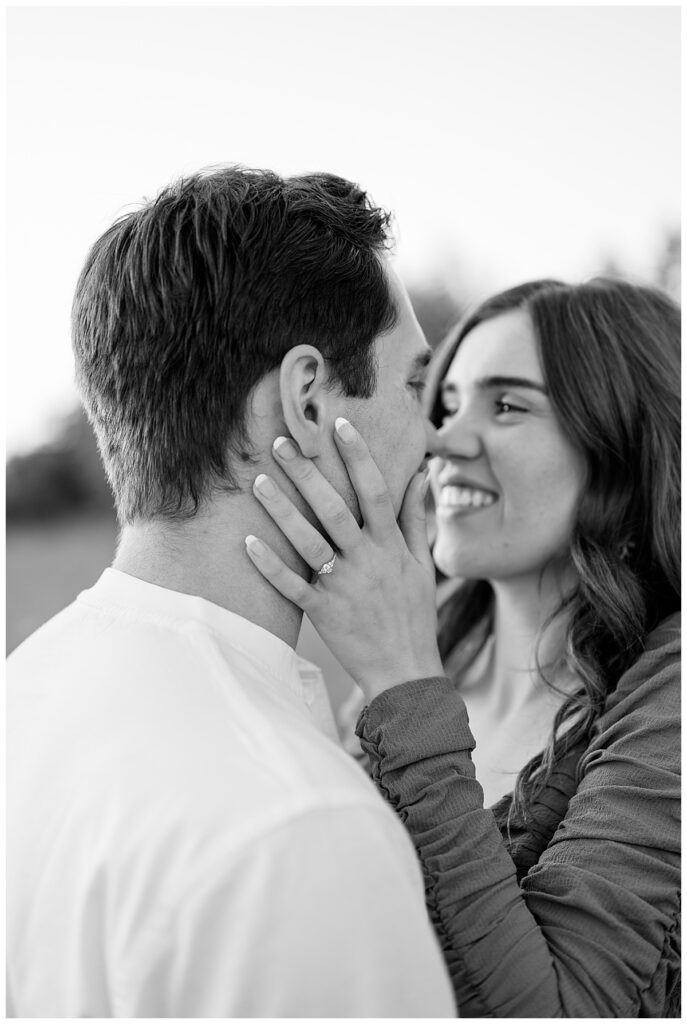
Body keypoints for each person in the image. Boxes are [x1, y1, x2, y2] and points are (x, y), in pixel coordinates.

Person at [6, 166, 457, 1017]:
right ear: (308, 401)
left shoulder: (21, 694)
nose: (436, 435)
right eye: (413, 385)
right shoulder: (303, 830)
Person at [245, 277, 681, 1017]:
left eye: (506, 405)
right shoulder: (439, 639)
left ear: (618, 444)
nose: (440, 437)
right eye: (441, 403)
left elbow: (557, 1007)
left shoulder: (667, 689)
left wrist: (403, 682)